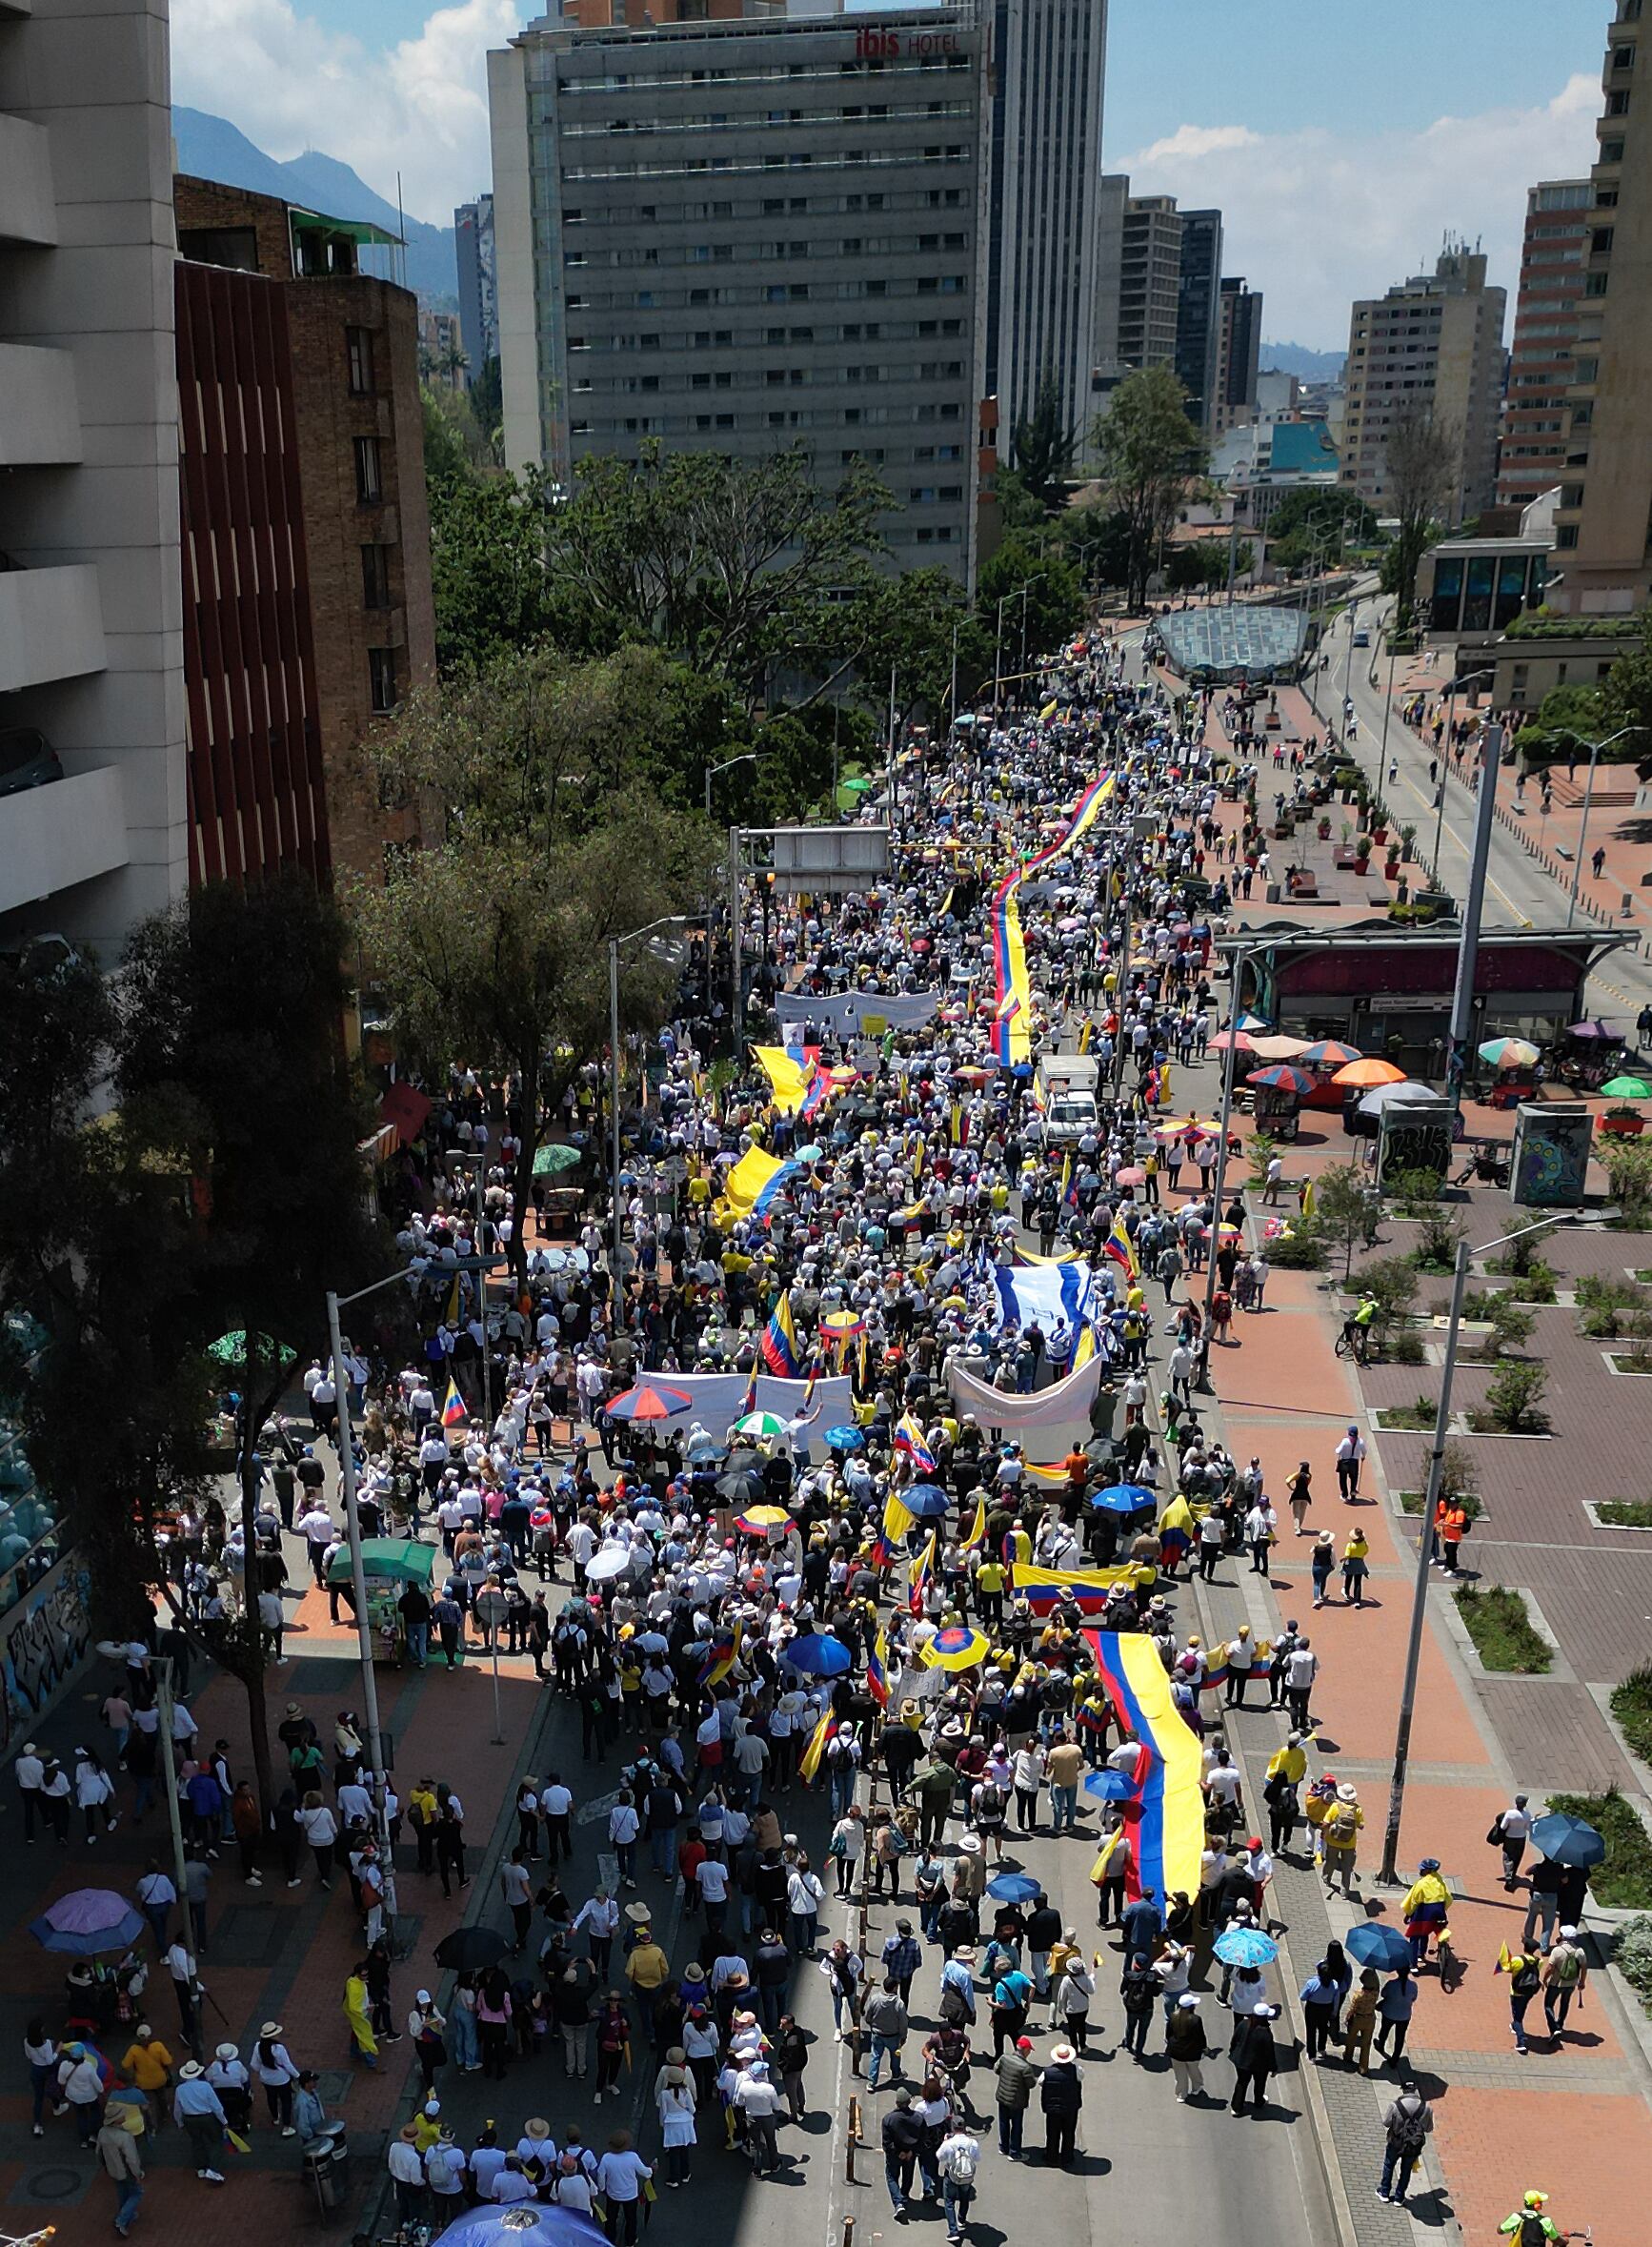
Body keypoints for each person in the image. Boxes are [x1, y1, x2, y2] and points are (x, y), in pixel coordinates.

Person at [171, 2059, 229, 2183]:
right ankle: (214, 2168)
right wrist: (223, 2120)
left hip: (190, 2119)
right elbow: (216, 2106)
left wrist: (179, 2122)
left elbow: (177, 2109)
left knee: (197, 2142)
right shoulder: (205, 2086)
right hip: (207, 2117)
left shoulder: (180, 2089)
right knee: (216, 2141)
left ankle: (201, 2168)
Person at [594, 2129, 652, 2244]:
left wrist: (602, 2188)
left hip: (613, 2194)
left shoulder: (606, 2158)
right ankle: (630, 2240)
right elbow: (645, 2172)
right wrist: (652, 2170)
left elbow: (600, 2175)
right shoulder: (632, 2157)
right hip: (630, 2194)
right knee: (631, 2218)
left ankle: (610, 2239)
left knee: (611, 2218)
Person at [98, 2105, 145, 2236]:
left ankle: (127, 2214)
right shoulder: (125, 2137)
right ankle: (122, 2220)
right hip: (126, 2171)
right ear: (117, 2119)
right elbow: (132, 2159)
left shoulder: (102, 2132)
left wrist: (106, 2167)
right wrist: (137, 2173)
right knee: (137, 2193)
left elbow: (99, 2153)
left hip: (112, 2169)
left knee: (122, 2191)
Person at [993, 2034, 1038, 2159]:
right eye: (1029, 2050)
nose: (1029, 2052)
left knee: (1003, 2122)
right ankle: (1014, 2152)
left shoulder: (1004, 2058)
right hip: (1017, 2101)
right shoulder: (1026, 2067)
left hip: (1002, 2097)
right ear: (1024, 2050)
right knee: (1016, 2126)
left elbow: (996, 2069)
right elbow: (1031, 2084)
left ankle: (1004, 2147)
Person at [1228, 2003, 1278, 2116]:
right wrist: (1273, 2068)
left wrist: (1233, 2052)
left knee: (1241, 2083)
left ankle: (1236, 2108)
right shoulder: (1266, 2033)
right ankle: (1259, 2101)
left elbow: (1234, 2040)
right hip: (1259, 2065)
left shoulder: (1244, 2024)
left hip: (1241, 2061)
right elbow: (1270, 2053)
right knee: (1260, 2083)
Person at [936, 2120, 981, 2244]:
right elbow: (977, 2158)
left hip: (951, 2175)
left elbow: (939, 2157)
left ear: (952, 2128)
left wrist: (945, 2142)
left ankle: (953, 2231)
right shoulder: (972, 2143)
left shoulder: (949, 2143)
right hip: (967, 2175)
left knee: (949, 2201)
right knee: (964, 2197)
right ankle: (962, 2219)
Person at [1038, 2040, 1081, 2165]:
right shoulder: (1076, 2070)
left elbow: (1040, 2082)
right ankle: (1067, 2157)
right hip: (1070, 2107)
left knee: (1052, 2133)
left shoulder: (1047, 2072)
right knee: (1069, 2133)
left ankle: (1051, 2157)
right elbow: (1080, 2078)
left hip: (1052, 2108)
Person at [1541, 1928, 1588, 2039]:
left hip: (1556, 1983)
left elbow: (1550, 1968)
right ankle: (1560, 2024)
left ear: (1563, 1936)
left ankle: (1554, 2029)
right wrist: (1582, 1982)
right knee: (1565, 2004)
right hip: (1571, 1984)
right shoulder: (1580, 1951)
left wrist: (1544, 1980)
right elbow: (1584, 1968)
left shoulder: (1558, 1950)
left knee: (1548, 2005)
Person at [1166, 1993, 1205, 2102]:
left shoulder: (1173, 2016)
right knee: (1194, 2070)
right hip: (1192, 2051)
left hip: (1175, 2051)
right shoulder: (1196, 2020)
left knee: (1179, 2074)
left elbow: (1168, 2034)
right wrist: (1204, 2048)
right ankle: (1197, 2087)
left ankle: (1181, 2094)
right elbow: (1200, 2037)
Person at [1498, 2191, 1562, 2246]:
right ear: (1537, 2206)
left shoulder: (1516, 2217)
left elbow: (1500, 2231)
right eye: (1540, 2202)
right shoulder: (1545, 2221)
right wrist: (1565, 2242)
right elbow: (1557, 2240)